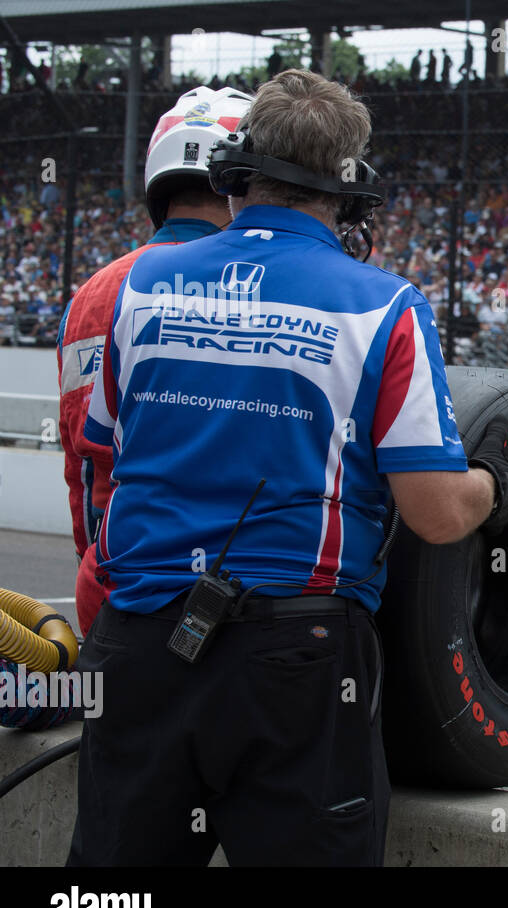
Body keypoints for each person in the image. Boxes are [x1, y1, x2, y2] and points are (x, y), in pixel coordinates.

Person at [69, 69, 508, 867]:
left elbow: (103, 445)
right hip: (295, 659)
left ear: (237, 167)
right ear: (348, 190)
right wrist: (499, 484)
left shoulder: (138, 284)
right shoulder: (385, 304)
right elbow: (437, 513)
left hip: (137, 642)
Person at [56, 85, 253, 639]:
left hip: (114, 589)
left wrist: (91, 566)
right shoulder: (261, 283)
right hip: (238, 599)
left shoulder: (91, 294)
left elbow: (81, 463)